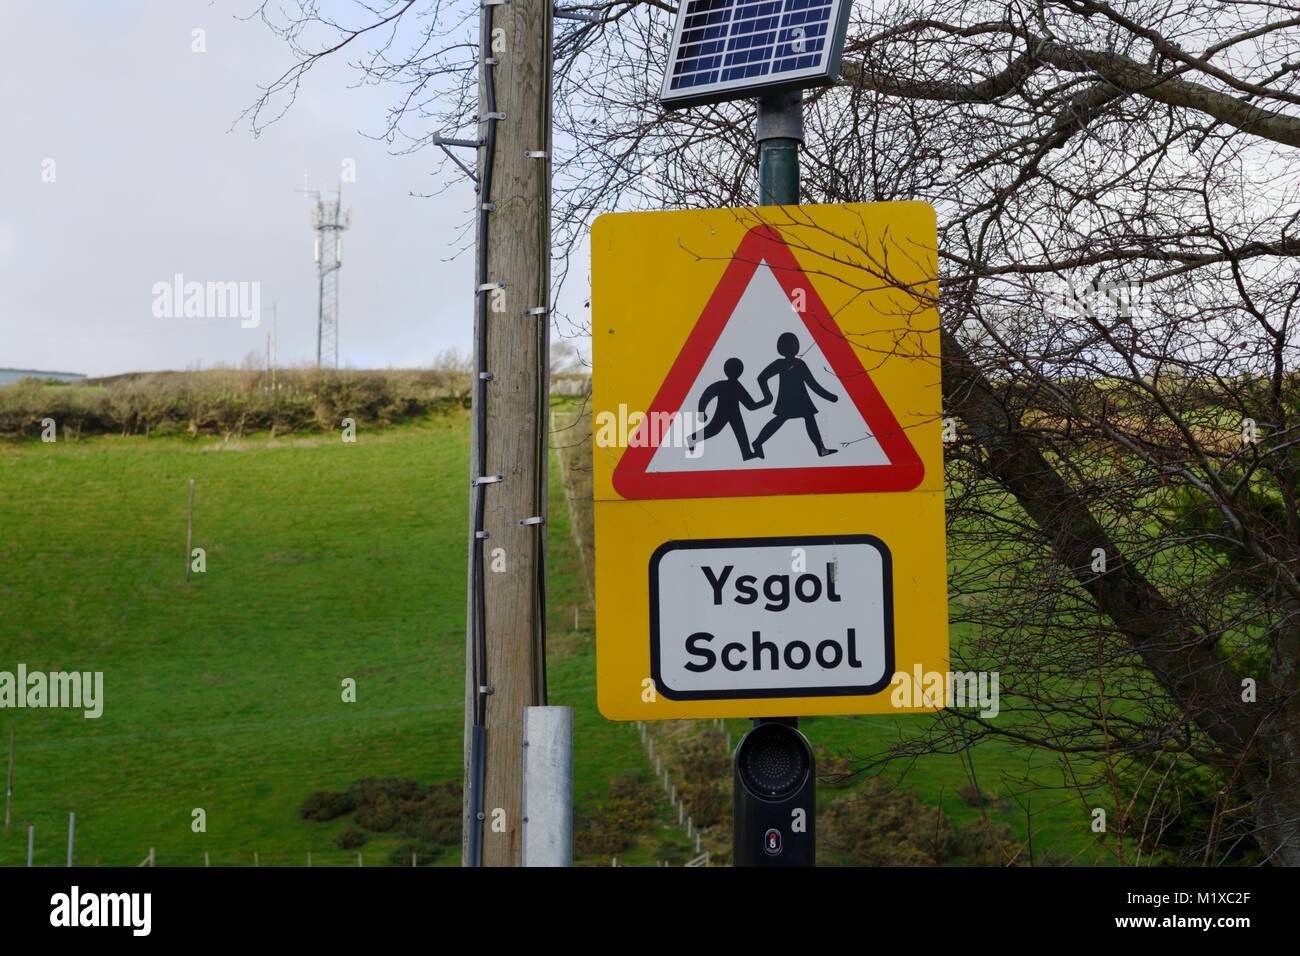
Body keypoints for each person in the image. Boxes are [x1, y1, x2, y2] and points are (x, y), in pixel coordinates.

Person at [752, 332, 839, 458]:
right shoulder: (782, 364)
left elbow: (812, 384)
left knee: (807, 418)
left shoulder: (799, 363)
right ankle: (757, 442)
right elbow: (761, 378)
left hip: (800, 399)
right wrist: (767, 396)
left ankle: (821, 449)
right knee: (783, 420)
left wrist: (830, 397)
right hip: (789, 400)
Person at [688, 357, 769, 459]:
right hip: (724, 413)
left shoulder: (732, 385)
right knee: (714, 430)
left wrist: (765, 402)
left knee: (740, 432)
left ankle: (747, 453)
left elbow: (750, 405)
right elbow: (706, 396)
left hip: (734, 413)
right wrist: (701, 412)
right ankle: (693, 438)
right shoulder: (726, 385)